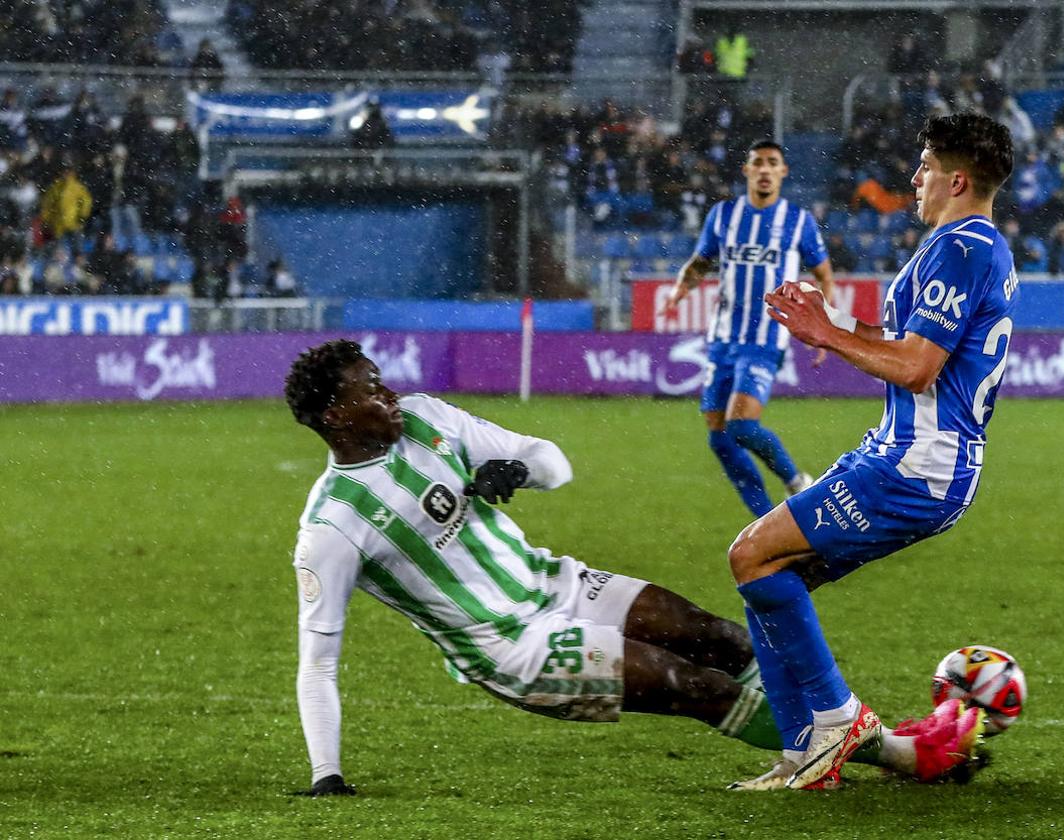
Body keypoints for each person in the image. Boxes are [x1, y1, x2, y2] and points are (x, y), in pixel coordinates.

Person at [283, 340, 979, 796]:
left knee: (719, 637)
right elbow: (318, 659)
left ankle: (830, 748)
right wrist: (327, 775)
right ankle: (892, 754)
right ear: (336, 416)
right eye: (369, 388)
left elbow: (552, 459)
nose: (389, 393)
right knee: (690, 683)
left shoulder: (429, 418)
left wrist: (513, 469)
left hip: (558, 583)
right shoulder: (331, 527)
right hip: (510, 647)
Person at [725, 113, 1018, 791]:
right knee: (768, 570)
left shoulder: (962, 248)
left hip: (916, 466)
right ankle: (808, 754)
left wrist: (827, 332)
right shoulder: (972, 247)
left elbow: (916, 365)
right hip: (907, 458)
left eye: (922, 167)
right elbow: (900, 338)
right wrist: (828, 327)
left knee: (753, 554)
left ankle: (836, 722)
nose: (913, 179)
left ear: (956, 179)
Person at [662, 140, 835, 518]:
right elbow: (700, 263)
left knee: (741, 425)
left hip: (765, 339)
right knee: (719, 436)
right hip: (723, 338)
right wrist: (679, 289)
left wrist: (827, 328)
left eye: (773, 163)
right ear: (746, 170)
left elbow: (822, 275)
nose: (764, 169)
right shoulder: (723, 215)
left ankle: (797, 482)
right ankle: (765, 519)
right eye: (757, 162)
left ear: (783, 172)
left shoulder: (797, 220)